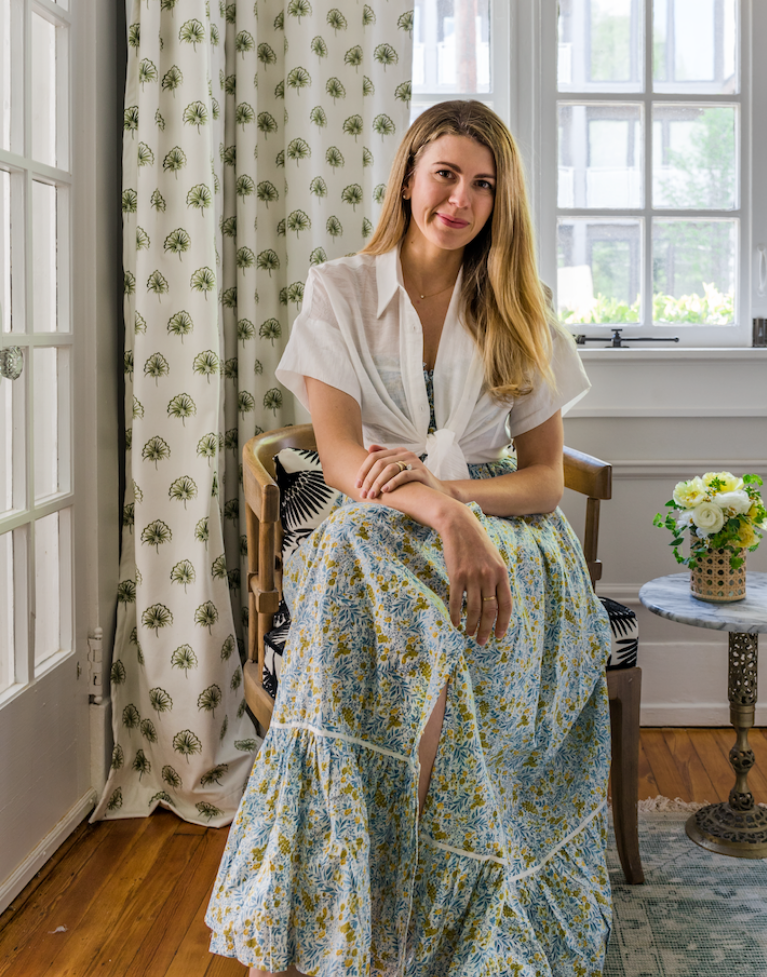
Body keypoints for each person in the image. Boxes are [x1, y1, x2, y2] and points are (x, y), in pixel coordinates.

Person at [206, 100, 613, 977]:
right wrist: (442, 516)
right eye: (446, 173)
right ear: (407, 176)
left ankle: (439, 915)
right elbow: (345, 459)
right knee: (360, 560)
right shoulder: (340, 289)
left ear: (500, 205)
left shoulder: (520, 306)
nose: (460, 198)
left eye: (483, 185)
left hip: (510, 536)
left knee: (464, 644)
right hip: (379, 522)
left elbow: (544, 480)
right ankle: (375, 913)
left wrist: (456, 499)